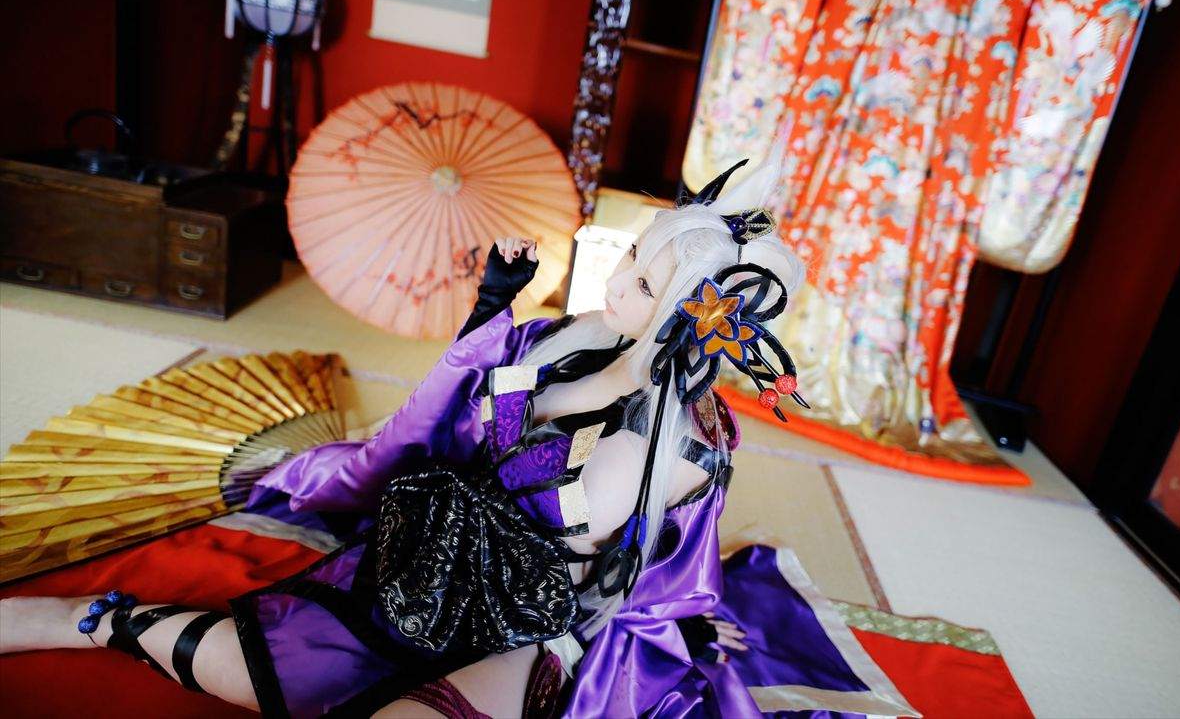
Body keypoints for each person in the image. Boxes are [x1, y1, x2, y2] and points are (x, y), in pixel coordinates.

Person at [0, 155, 809, 718]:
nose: (616, 276)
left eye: (643, 280)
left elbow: (642, 566)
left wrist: (678, 622)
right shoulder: (577, 337)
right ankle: (91, 618)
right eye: (631, 252)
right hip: (423, 560)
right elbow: (458, 412)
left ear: (687, 321)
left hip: (529, 628)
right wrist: (493, 306)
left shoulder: (683, 444)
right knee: (260, 671)